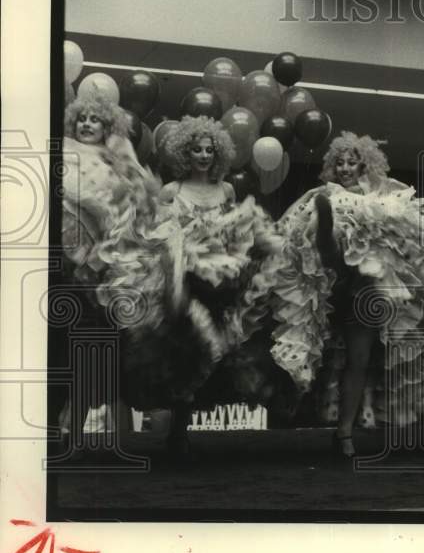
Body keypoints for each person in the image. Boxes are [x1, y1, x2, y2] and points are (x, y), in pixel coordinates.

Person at [97, 115, 288, 458]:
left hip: (219, 282)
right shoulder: (173, 190)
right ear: (186, 153)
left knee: (212, 355)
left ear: (218, 155)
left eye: (209, 150)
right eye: (197, 150)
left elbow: (236, 231)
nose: (203, 156)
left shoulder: (227, 189)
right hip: (184, 279)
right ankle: (174, 432)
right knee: (181, 352)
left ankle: (180, 431)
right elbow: (161, 231)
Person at [268, 131, 424, 459]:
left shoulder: (379, 196)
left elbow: (404, 226)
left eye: (352, 162)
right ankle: (300, 412)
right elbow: (288, 228)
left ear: (365, 165)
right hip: (321, 285)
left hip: (360, 288)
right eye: (340, 162)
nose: (345, 168)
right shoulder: (322, 193)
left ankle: (344, 432)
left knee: (359, 360)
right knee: (306, 355)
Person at [57, 94, 159, 447]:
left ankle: (82, 434)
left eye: (94, 119)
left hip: (104, 276)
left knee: (97, 355)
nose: (86, 124)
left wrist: (98, 261)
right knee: (65, 354)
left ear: (107, 127)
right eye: (81, 118)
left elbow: (131, 216)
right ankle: (65, 430)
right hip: (60, 272)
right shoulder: (60, 157)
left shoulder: (118, 166)